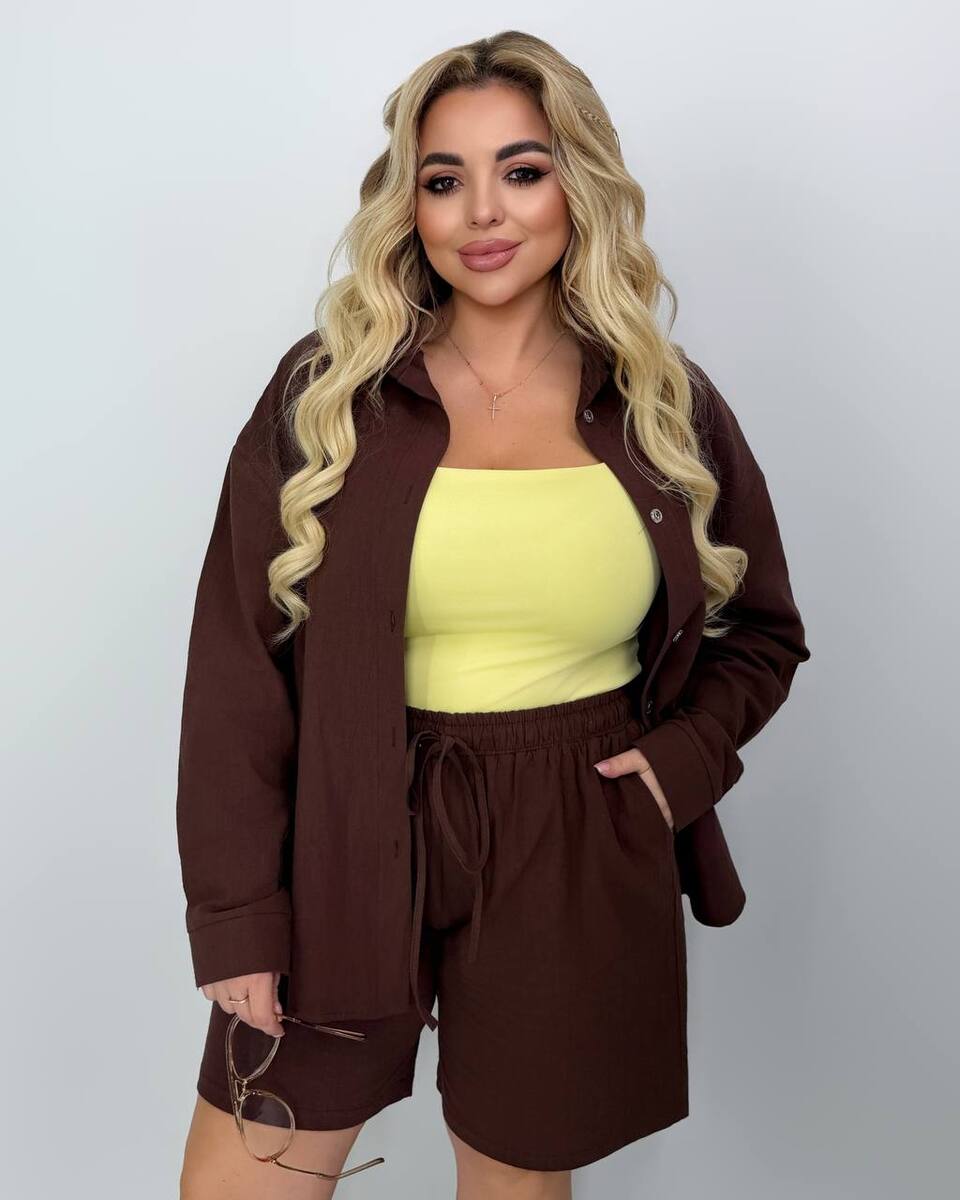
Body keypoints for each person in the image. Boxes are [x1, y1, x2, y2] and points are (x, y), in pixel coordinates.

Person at [177, 29, 811, 1200]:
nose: (483, 212)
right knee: (241, 1179)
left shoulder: (662, 407)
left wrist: (677, 766)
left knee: (516, 1185)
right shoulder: (328, 395)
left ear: (580, 185)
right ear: (407, 204)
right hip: (348, 822)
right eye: (443, 178)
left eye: (522, 170)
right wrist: (237, 916)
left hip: (573, 828)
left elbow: (764, 633)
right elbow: (235, 664)